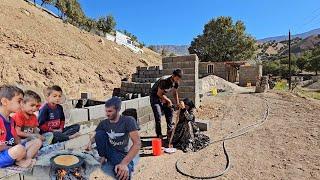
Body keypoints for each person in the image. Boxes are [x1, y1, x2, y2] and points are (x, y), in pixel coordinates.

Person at [85, 97, 141, 180]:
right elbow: (96, 135)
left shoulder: (129, 122)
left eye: (110, 111)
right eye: (106, 111)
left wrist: (124, 163)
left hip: (121, 152)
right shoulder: (104, 123)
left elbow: (137, 144)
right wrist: (89, 143)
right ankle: (103, 157)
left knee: (124, 172)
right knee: (100, 134)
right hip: (109, 149)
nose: (107, 114)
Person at [0, 85, 42, 168]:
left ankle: (25, 159)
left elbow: (16, 138)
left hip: (13, 150)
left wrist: (26, 143)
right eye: (19, 101)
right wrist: (19, 147)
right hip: (4, 154)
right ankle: (21, 160)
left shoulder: (11, 120)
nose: (21, 104)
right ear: (5, 101)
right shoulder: (17, 116)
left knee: (37, 142)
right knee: (19, 149)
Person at [150, 69, 183, 139]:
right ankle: (159, 134)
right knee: (158, 115)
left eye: (179, 79)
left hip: (162, 95)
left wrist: (177, 103)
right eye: (177, 78)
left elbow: (175, 93)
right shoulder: (164, 81)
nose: (178, 80)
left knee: (170, 111)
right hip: (155, 97)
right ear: (173, 76)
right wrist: (169, 101)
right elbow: (158, 93)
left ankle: (169, 132)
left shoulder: (176, 82)